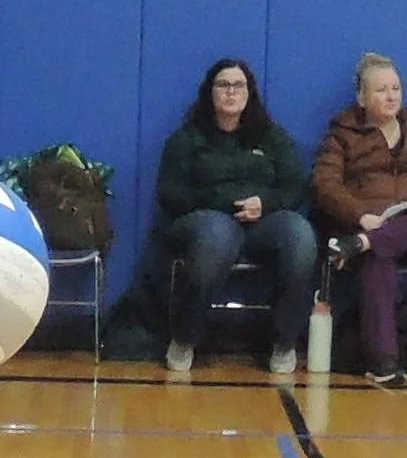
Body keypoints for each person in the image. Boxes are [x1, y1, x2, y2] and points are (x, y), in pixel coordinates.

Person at [155, 57, 313, 376]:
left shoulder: (271, 136)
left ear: (249, 92)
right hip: (203, 221)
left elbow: (295, 186)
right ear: (209, 92)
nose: (231, 92)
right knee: (216, 236)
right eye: (223, 85)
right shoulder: (187, 138)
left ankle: (284, 343)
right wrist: (219, 201)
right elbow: (169, 193)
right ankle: (185, 337)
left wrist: (265, 203)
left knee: (300, 235)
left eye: (238, 85)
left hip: (262, 223)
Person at [314, 52, 407, 389]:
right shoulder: (343, 134)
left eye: (396, 88)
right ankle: (383, 364)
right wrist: (360, 216)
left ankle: (361, 245)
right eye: (381, 90)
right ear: (362, 98)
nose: (391, 96)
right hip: (365, 222)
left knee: (376, 244)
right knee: (377, 259)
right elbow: (325, 184)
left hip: (398, 222)